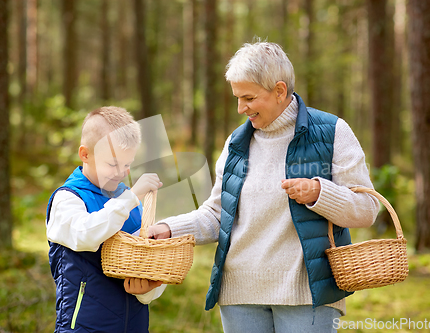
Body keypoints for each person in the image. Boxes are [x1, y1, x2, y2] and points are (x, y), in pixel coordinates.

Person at [149, 41, 380, 333]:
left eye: (248, 98)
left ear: (280, 91)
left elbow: (367, 210)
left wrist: (320, 194)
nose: (240, 108)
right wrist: (170, 229)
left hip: (306, 296)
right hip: (239, 295)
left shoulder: (332, 132)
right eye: (237, 97)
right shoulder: (236, 143)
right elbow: (217, 215)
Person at [46, 106, 165, 333]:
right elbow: (86, 235)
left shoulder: (131, 204)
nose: (121, 172)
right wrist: (130, 197)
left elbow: (151, 262)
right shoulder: (67, 199)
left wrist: (148, 289)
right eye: (112, 164)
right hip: (83, 327)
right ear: (85, 154)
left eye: (127, 164)